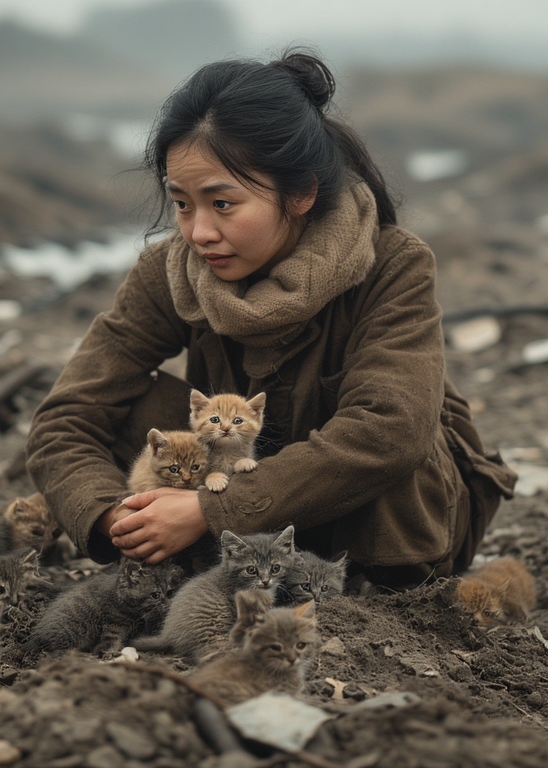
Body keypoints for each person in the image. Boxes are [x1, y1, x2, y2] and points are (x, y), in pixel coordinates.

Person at [26, 49, 517, 588]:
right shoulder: (171, 270)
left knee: (394, 433)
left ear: (302, 192)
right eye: (183, 204)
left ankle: (350, 576)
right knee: (126, 410)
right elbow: (66, 417)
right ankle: (204, 550)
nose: (197, 232)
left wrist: (212, 511)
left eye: (223, 203)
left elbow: (390, 430)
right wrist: (114, 516)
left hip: (374, 529)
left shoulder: (393, 263)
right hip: (232, 510)